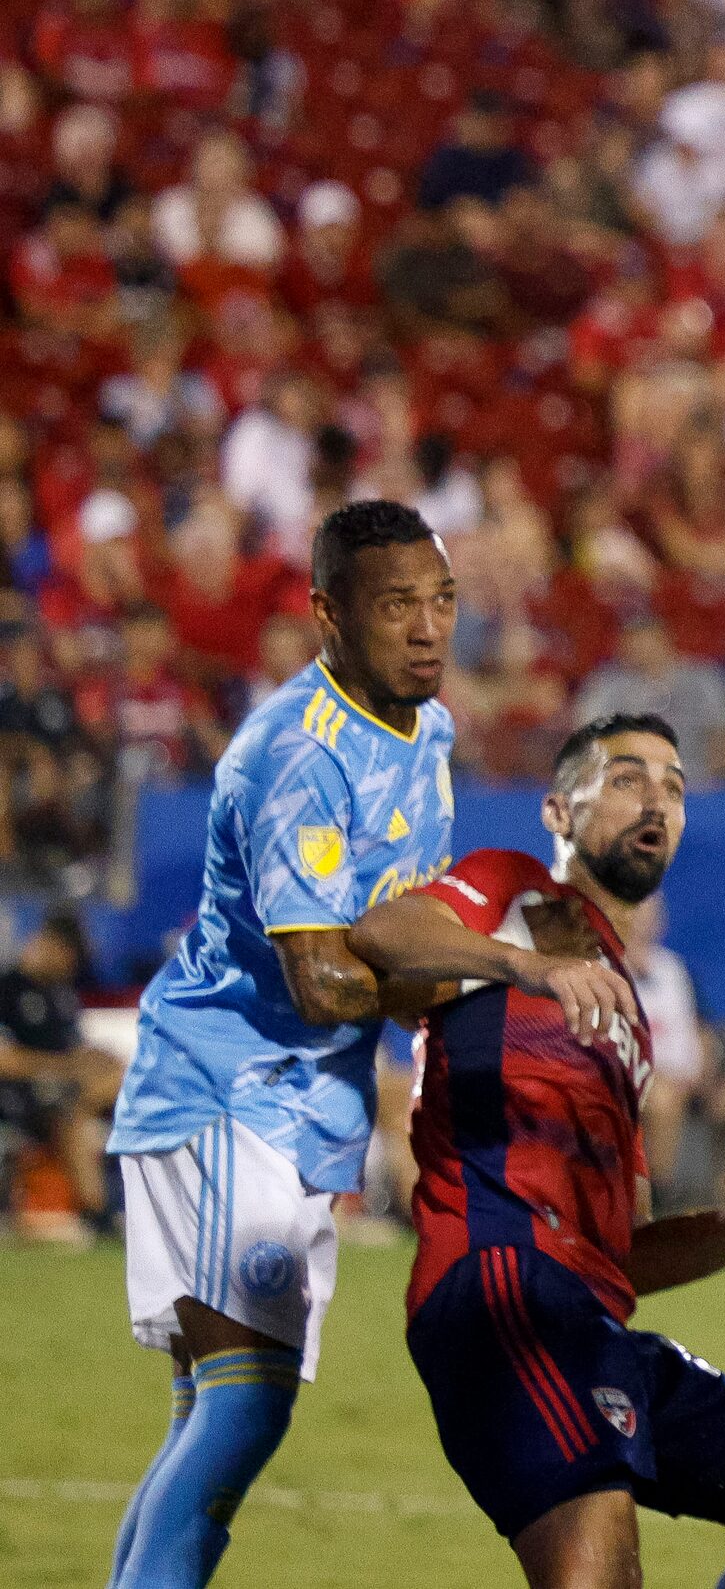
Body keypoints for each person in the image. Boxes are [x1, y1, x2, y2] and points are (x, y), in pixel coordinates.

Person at [102, 501, 625, 1589]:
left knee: (217, 1410)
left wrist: (466, 985)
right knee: (244, 1403)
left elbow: (399, 937)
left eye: (442, 602)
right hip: (226, 1090)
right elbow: (329, 977)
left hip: (303, 1115)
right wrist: (510, 973)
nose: (431, 629)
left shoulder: (426, 733)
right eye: (398, 607)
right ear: (328, 615)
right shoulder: (295, 753)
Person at [347, 715, 725, 1588]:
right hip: (499, 1285)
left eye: (674, 785)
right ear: (557, 811)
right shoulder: (510, 893)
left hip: (586, 1318)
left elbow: (627, 1254)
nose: (656, 796)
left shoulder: (628, 1022)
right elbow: (383, 934)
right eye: (626, 777)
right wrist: (525, 965)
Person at [0, 907, 124, 1229]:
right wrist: (67, 1067)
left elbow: (73, 1049)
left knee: (125, 1078)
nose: (73, 965)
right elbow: (5, 1061)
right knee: (71, 1115)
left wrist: (95, 1059)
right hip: (20, 1096)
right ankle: (99, 1216)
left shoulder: (61, 995)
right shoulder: (7, 989)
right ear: (49, 944)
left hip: (67, 1091)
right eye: (70, 954)